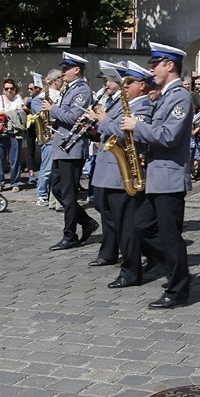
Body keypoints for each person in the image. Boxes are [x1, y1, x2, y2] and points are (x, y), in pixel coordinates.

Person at [121, 42, 194, 308]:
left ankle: (177, 291)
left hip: (169, 177)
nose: (151, 69)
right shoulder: (164, 95)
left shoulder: (179, 97)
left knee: (170, 237)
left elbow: (169, 136)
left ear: (169, 65)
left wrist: (137, 126)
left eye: (156, 64)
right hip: (156, 176)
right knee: (141, 226)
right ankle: (178, 270)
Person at [93, 62, 156, 286]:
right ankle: (148, 258)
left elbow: (131, 134)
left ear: (141, 85)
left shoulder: (143, 106)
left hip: (126, 172)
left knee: (127, 225)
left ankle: (131, 271)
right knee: (120, 222)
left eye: (129, 84)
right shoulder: (129, 102)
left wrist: (105, 122)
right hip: (116, 170)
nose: (124, 87)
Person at [45, 53, 99, 250]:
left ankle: (70, 235)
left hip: (72, 148)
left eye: (66, 69)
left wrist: (53, 110)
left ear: (76, 70)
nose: (63, 72)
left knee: (68, 194)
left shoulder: (82, 90)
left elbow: (74, 117)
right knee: (56, 188)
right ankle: (86, 222)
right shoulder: (70, 89)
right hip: (62, 146)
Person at [87, 61, 125, 266]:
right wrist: (94, 127)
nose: (105, 83)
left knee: (111, 207)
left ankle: (111, 249)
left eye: (109, 79)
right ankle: (110, 248)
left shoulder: (123, 102)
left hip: (115, 161)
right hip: (104, 157)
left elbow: (121, 126)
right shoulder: (109, 99)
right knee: (101, 204)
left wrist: (103, 119)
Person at [0, 79, 26, 192]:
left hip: (14, 131)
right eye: (6, 88)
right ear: (3, 89)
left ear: (15, 89)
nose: (9, 91)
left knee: (15, 158)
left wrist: (5, 113)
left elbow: (21, 111)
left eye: (11, 88)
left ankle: (15, 182)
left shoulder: (17, 99)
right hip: (0, 131)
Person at [35, 69, 63, 207]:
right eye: (60, 78)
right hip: (49, 134)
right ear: (55, 80)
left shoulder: (60, 94)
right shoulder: (43, 96)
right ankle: (41, 195)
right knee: (46, 168)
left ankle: (50, 196)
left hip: (56, 133)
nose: (62, 80)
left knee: (54, 169)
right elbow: (35, 107)